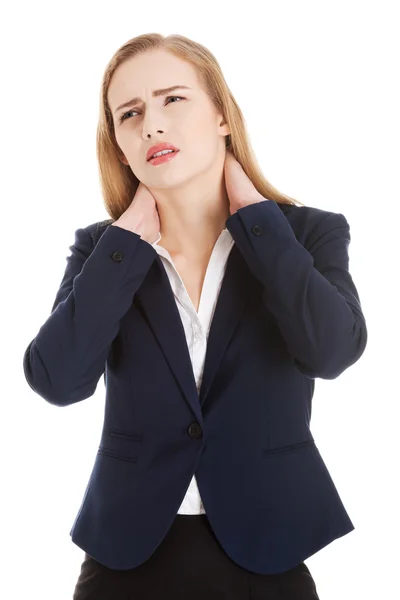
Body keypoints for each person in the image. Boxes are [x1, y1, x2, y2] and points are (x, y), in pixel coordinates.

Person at [23, 32, 368, 600]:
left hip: (269, 547)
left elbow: (331, 352)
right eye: (129, 114)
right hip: (126, 556)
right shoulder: (103, 252)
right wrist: (126, 244)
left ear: (222, 117)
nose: (151, 125)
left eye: (172, 99)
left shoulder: (307, 233)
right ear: (120, 144)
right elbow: (58, 382)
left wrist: (257, 220)